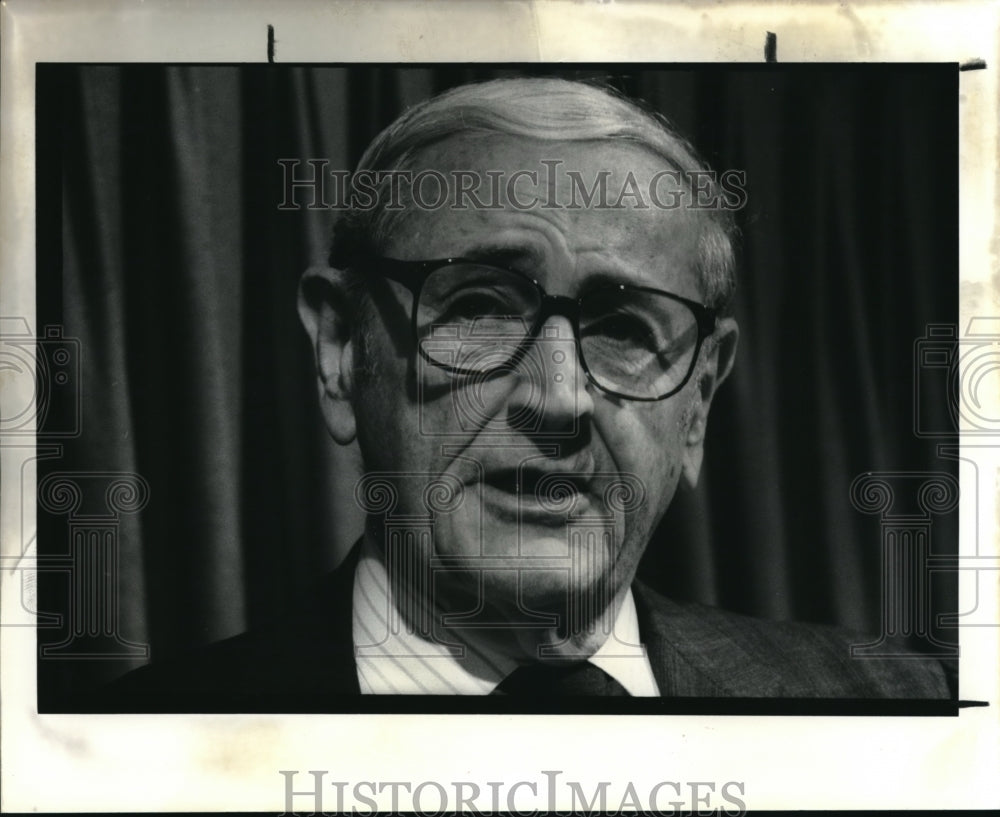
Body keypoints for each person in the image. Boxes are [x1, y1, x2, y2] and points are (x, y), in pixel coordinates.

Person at [105, 77, 950, 705]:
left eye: (622, 329)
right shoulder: (115, 752)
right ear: (339, 351)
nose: (558, 400)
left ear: (697, 403)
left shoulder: (902, 711)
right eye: (478, 307)